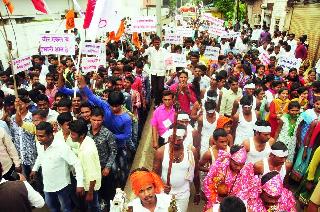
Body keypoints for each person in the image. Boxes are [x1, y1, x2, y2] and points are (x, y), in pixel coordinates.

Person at [30, 122, 84, 212]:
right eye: (37, 136)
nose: (38, 139)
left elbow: (76, 163)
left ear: (50, 135)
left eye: (41, 136)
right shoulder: (40, 144)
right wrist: (35, 169)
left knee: (65, 209)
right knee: (52, 209)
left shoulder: (61, 147)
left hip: (62, 186)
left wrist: (80, 184)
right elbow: (40, 156)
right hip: (47, 186)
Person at [153, 124, 200, 212]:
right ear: (169, 137)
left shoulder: (191, 151)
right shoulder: (161, 152)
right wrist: (161, 186)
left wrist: (197, 192)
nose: (176, 142)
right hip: (164, 193)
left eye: (179, 139)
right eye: (173, 138)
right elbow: (154, 175)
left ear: (185, 136)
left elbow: (196, 173)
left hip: (183, 193)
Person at [203, 145, 257, 210]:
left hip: (237, 205)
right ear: (230, 158)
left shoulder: (247, 169)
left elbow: (249, 189)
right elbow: (207, 185)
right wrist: (217, 184)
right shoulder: (218, 167)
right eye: (236, 164)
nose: (239, 168)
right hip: (218, 203)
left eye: (242, 164)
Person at [87, 106, 117, 210]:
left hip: (103, 168)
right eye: (93, 120)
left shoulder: (108, 134)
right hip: (90, 168)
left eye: (98, 120)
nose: (96, 123)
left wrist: (108, 167)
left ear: (103, 119)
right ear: (90, 118)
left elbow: (113, 151)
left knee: (107, 191)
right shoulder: (85, 130)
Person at [69, 119, 101, 212]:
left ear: (81, 135)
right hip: (87, 183)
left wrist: (90, 193)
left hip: (90, 185)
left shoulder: (87, 151)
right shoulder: (87, 140)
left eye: (73, 134)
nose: (71, 136)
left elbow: (92, 175)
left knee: (93, 206)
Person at [142, 36, 168, 107]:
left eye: (158, 42)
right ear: (153, 43)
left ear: (160, 42)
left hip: (161, 72)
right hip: (153, 72)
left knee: (160, 88)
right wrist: (142, 45)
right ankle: (157, 103)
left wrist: (168, 69)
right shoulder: (150, 49)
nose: (157, 43)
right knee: (154, 88)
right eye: (155, 42)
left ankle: (160, 101)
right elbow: (143, 53)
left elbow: (168, 59)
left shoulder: (164, 50)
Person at [274, 101, 301, 165]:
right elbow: (278, 131)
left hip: (292, 143)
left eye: (297, 110)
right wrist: (274, 142)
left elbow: (298, 132)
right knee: (279, 159)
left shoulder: (299, 119)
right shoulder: (283, 118)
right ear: (288, 110)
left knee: (288, 162)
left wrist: (298, 142)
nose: (294, 112)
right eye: (292, 110)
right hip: (281, 141)